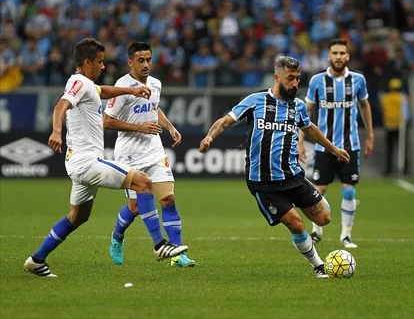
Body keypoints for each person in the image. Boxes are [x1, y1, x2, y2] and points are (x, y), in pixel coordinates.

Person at [23, 38, 187, 278]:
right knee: (143, 182)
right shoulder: (78, 82)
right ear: (87, 62)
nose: (103, 67)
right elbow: (61, 105)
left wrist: (131, 91)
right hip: (86, 161)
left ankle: (36, 260)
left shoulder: (88, 85)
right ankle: (160, 245)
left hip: (80, 163)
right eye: (99, 62)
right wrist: (57, 131)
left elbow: (104, 91)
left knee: (78, 216)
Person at [199, 56, 350, 278]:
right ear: (277, 77)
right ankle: (318, 265)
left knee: (324, 219)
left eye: (298, 79)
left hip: (294, 177)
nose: (295, 83)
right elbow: (225, 121)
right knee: (297, 224)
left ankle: (311, 197)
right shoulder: (255, 100)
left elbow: (309, 129)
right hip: (264, 183)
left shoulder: (297, 106)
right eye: (291, 78)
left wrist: (333, 149)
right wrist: (209, 138)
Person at [104, 42, 195, 268]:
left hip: (154, 151)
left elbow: (154, 109)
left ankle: (177, 254)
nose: (146, 65)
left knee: (168, 198)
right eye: (141, 60)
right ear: (130, 62)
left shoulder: (155, 84)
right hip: (129, 156)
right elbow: (107, 121)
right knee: (135, 208)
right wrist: (139, 127)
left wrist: (170, 127)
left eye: (148, 60)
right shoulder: (122, 87)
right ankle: (117, 236)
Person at [298, 38, 374, 248]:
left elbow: (365, 106)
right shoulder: (317, 81)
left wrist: (370, 136)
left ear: (348, 56)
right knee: (319, 190)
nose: (338, 57)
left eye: (342, 53)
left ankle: (346, 235)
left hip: (350, 145)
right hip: (324, 146)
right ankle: (317, 230)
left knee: (348, 190)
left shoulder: (358, 80)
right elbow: (306, 112)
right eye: (335, 53)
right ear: (329, 56)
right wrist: (300, 141)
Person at [380, 78, 410, 175]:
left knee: (389, 149)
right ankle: (404, 169)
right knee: (402, 149)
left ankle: (388, 169)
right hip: (399, 125)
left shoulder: (385, 98)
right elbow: (405, 112)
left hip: (388, 125)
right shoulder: (402, 97)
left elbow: (383, 110)